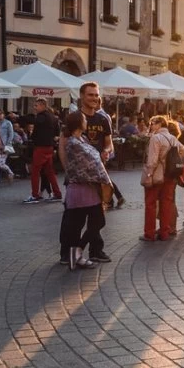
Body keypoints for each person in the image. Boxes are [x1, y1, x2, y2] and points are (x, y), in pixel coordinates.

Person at [60, 112, 107, 269]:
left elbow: (94, 159)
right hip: (79, 189)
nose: (87, 121)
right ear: (79, 123)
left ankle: (78, 252)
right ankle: (74, 257)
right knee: (76, 226)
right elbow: (90, 163)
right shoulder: (73, 142)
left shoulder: (83, 139)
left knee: (98, 220)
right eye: (84, 119)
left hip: (89, 189)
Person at [76, 83, 124, 209]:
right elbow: (64, 145)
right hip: (79, 172)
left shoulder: (103, 119)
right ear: (81, 96)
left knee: (97, 220)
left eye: (96, 95)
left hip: (98, 166)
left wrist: (107, 151)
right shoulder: (74, 118)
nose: (94, 98)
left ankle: (111, 201)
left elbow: (109, 143)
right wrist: (67, 169)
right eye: (90, 95)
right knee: (76, 216)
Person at [141, 116, 184, 241]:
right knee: (166, 203)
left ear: (160, 123)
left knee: (150, 204)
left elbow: (152, 161)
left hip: (156, 175)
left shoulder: (156, 138)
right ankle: (164, 233)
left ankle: (149, 234)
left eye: (152, 123)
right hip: (170, 175)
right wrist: (170, 161)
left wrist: (149, 175)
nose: (151, 126)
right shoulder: (172, 138)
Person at [24, 98, 61, 204]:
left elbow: (34, 127)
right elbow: (56, 132)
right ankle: (57, 193)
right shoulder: (53, 117)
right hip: (49, 147)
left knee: (35, 171)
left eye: (36, 106)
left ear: (43, 106)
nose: (34, 108)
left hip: (41, 147)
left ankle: (35, 195)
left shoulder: (41, 117)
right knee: (50, 172)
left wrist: (32, 136)